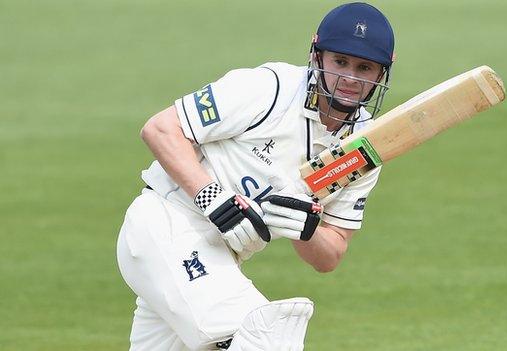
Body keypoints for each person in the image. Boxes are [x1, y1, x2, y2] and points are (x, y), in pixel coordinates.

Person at [116, 2, 396, 350]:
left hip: (220, 258)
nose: (349, 78)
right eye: (340, 62)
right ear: (317, 53)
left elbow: (330, 255)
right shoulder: (270, 88)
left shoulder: (361, 148)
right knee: (267, 339)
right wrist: (213, 198)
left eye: (364, 68)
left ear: (383, 71)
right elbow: (160, 129)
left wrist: (305, 229)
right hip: (166, 226)